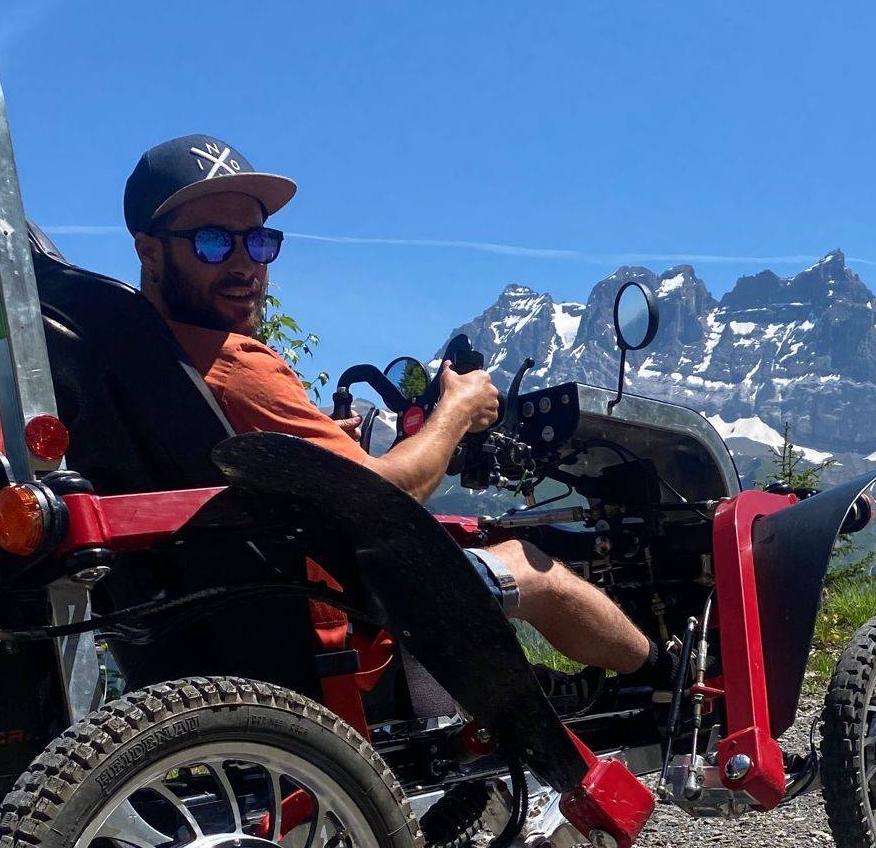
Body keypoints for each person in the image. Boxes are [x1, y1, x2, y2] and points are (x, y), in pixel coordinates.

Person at [122, 135, 668, 683]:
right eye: (213, 243)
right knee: (530, 566)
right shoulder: (235, 365)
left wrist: (310, 457)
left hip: (227, 630)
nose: (245, 265)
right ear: (150, 250)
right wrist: (455, 412)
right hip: (338, 619)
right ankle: (673, 681)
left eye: (259, 242)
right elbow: (386, 502)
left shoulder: (147, 363)